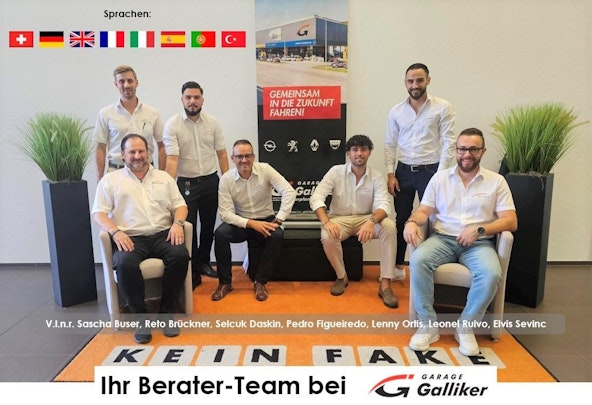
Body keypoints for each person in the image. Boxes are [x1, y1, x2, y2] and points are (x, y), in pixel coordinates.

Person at [403, 127, 517, 356]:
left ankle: (465, 327)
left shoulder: (496, 181)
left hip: (479, 243)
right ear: (455, 150)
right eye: (462, 149)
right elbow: (424, 211)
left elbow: (511, 221)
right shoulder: (440, 178)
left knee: (491, 273)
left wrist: (480, 229)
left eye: (473, 149)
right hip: (442, 239)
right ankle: (428, 325)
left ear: (483, 151)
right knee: (418, 260)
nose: (467, 154)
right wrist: (411, 222)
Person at [91, 134, 190, 345]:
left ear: (148, 152)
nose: (137, 156)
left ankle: (167, 312)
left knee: (180, 255)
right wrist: (115, 232)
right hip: (130, 237)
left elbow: (180, 205)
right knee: (124, 263)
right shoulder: (111, 181)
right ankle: (141, 318)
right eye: (132, 152)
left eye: (141, 151)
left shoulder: (164, 178)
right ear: (122, 154)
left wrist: (178, 223)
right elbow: (98, 213)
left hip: (163, 234)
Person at [385, 63, 457, 280]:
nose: (414, 85)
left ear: (428, 80)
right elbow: (390, 144)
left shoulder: (442, 107)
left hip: (431, 171)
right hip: (403, 172)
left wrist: (440, 175)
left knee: (433, 219)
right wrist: (390, 174)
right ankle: (398, 267)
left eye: (419, 80)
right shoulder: (396, 111)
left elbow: (449, 142)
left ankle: (431, 266)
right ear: (405, 83)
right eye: (410, 81)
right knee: (401, 219)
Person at [309, 134, 399, 308]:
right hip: (339, 219)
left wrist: (371, 222)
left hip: (366, 219)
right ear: (348, 153)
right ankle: (342, 277)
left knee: (389, 226)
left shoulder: (377, 176)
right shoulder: (336, 172)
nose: (359, 153)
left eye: (363, 149)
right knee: (327, 235)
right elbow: (316, 197)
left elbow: (384, 205)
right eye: (355, 149)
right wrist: (327, 222)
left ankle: (386, 284)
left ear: (369, 152)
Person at [163, 81, 229, 288]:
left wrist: (228, 182)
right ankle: (192, 270)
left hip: (211, 181)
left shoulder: (213, 123)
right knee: (189, 227)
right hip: (186, 184)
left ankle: (204, 263)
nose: (192, 101)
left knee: (208, 226)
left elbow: (222, 154)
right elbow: (172, 159)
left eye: (196, 97)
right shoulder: (173, 125)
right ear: (182, 99)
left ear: (202, 99)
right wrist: (167, 187)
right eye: (188, 97)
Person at [213, 139, 296, 302]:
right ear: (232, 158)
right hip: (242, 222)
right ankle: (224, 283)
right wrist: (251, 223)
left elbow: (289, 192)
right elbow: (225, 214)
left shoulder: (265, 170)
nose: (244, 160)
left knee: (277, 235)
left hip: (265, 220)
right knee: (220, 234)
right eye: (239, 156)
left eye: (248, 156)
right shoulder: (226, 179)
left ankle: (260, 282)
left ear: (254, 156)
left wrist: (279, 220)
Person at [93, 65, 166, 180]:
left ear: (137, 83)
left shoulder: (152, 113)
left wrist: (161, 175)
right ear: (116, 84)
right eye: (121, 81)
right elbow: (100, 148)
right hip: (116, 174)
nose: (126, 85)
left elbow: (162, 145)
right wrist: (99, 180)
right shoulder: (105, 114)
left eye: (130, 81)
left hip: (147, 174)